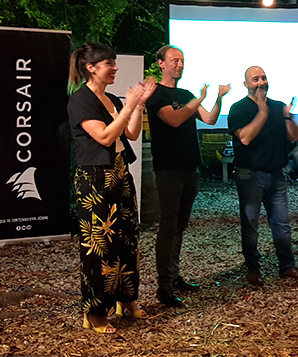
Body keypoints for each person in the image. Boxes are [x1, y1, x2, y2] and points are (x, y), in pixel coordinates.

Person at [67, 42, 156, 333]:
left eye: (115, 62)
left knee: (127, 239)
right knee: (99, 246)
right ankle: (95, 312)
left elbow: (130, 133)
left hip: (119, 172)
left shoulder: (113, 100)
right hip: (94, 178)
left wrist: (138, 105)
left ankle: (126, 298)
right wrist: (129, 106)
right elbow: (105, 137)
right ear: (91, 68)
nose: (115, 68)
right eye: (109, 63)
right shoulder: (81, 100)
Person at [146, 45, 230, 307]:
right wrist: (198, 99)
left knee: (180, 226)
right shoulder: (156, 94)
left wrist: (218, 98)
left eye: (182, 61)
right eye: (174, 60)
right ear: (161, 63)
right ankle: (164, 286)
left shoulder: (186, 94)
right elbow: (174, 119)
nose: (179, 65)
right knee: (168, 227)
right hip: (168, 169)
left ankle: (174, 276)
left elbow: (210, 119)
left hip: (189, 168)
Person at [228, 66, 298, 287]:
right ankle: (253, 268)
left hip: (276, 174)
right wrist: (262, 112)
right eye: (255, 79)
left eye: (263, 78)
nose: (261, 82)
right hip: (250, 175)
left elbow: (294, 136)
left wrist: (288, 117)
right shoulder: (238, 108)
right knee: (251, 225)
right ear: (246, 84)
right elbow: (245, 138)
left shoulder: (278, 106)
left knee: (282, 223)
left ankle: (287, 266)